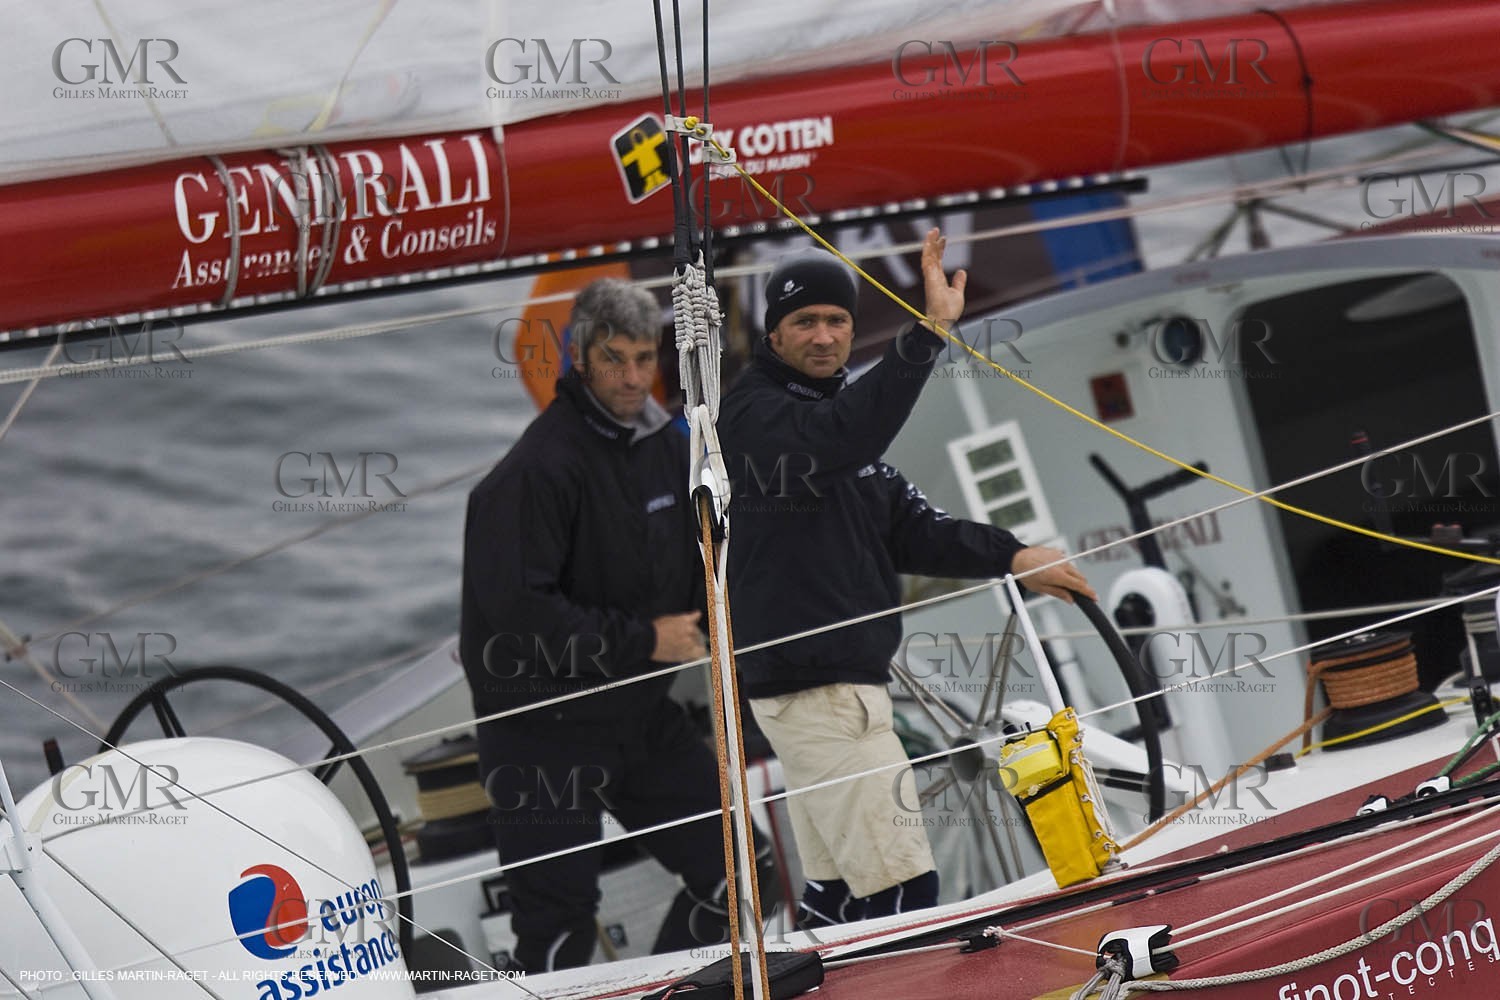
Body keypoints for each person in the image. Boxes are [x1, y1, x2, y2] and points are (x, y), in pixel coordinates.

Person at [718, 229, 1095, 927]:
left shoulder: (833, 423)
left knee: (836, 897)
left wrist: (1014, 555)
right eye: (805, 321)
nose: (825, 336)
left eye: (837, 320)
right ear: (774, 335)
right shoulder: (754, 416)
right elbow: (845, 437)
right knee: (904, 898)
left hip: (829, 695)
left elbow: (913, 529)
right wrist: (928, 332)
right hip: (820, 696)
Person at [460, 278, 775, 972]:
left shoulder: (665, 447)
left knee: (747, 881)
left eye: (644, 358)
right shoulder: (534, 474)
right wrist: (644, 641)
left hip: (634, 713)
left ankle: (671, 990)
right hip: (540, 727)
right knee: (559, 937)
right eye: (615, 361)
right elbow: (516, 616)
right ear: (579, 356)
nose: (634, 378)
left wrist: (733, 633)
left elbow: (697, 566)